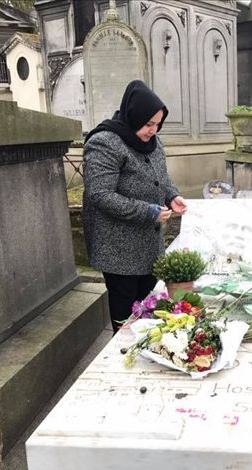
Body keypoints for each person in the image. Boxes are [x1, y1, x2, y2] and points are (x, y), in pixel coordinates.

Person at [82, 80, 187, 333]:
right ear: (133, 115)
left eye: (157, 124)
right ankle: (122, 359)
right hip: (119, 249)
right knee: (125, 315)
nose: (153, 130)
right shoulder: (105, 142)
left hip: (149, 245)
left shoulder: (153, 141)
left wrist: (170, 195)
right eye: (148, 123)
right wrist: (148, 211)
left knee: (148, 307)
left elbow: (159, 176)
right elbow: (101, 194)